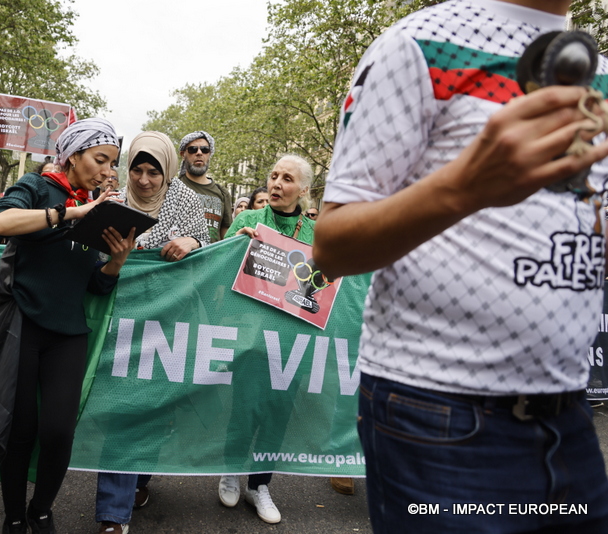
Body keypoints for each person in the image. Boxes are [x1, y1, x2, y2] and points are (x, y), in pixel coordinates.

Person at [312, 0, 608, 532]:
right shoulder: (418, 44)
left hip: (569, 413)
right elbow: (332, 248)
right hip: (437, 412)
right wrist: (465, 187)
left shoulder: (599, 72)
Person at [0, 118, 134, 534]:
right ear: (74, 155)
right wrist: (70, 212)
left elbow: (93, 281)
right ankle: (14, 517)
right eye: (100, 159)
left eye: (112, 163)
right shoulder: (40, 186)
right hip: (23, 322)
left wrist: (116, 260)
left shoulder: (97, 205)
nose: (106, 170)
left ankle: (41, 510)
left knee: (58, 431)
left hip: (68, 333)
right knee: (20, 430)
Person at [95, 131, 209, 534]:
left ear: (169, 172)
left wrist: (192, 240)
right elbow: (91, 262)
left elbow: (210, 248)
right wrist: (116, 259)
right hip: (121, 320)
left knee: (157, 411)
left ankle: (137, 480)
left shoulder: (188, 203)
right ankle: (113, 513)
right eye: (137, 170)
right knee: (124, 411)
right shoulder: (110, 204)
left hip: (171, 322)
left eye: (153, 172)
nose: (143, 180)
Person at [219, 154, 316, 524]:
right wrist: (235, 248)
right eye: (274, 176)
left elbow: (325, 284)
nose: (276, 183)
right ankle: (229, 471)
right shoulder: (248, 219)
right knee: (244, 409)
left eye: (287, 178)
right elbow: (218, 269)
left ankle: (259, 485)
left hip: (293, 340)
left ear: (303, 190)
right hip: (250, 334)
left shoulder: (313, 233)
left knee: (277, 413)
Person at [177, 131, 233, 242]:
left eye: (205, 150)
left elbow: (226, 235)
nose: (199, 153)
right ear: (183, 154)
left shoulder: (222, 193)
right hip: (181, 258)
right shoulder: (173, 188)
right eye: (193, 149)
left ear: (209, 154)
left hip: (212, 258)